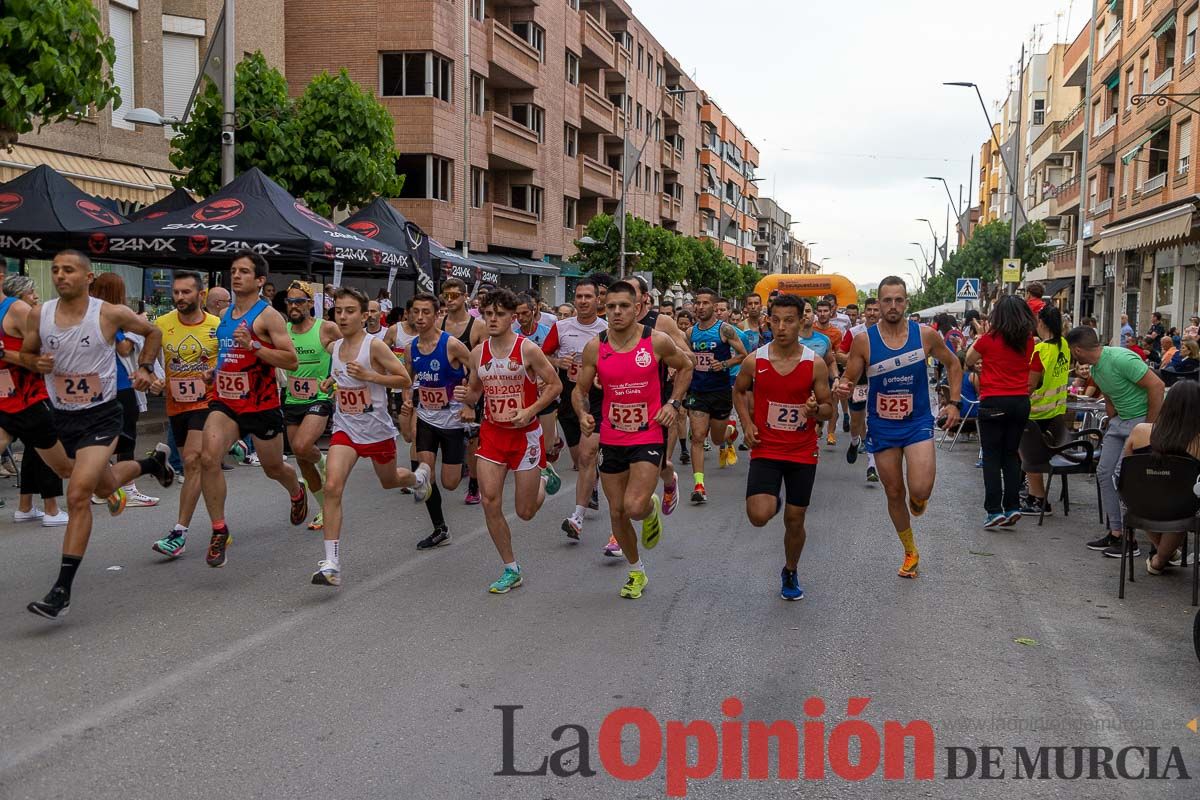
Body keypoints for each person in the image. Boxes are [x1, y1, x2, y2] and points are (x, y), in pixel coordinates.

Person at [24, 250, 174, 620]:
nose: (60, 275)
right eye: (56, 270)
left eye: (69, 270)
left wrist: (143, 367)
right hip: (59, 417)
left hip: (101, 416)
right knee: (104, 487)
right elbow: (27, 355)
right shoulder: (38, 314)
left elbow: (152, 331)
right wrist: (35, 363)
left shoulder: (108, 313)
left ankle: (61, 589)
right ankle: (152, 462)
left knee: (77, 494)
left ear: (88, 277)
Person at [835, 276, 962, 579]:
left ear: (907, 302)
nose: (893, 306)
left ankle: (918, 500)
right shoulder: (865, 340)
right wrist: (843, 386)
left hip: (917, 422)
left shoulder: (926, 336)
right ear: (878, 303)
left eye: (899, 300)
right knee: (894, 492)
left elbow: (954, 364)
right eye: (887, 300)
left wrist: (954, 403)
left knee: (919, 489)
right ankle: (910, 551)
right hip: (882, 425)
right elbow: (850, 377)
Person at [574, 281, 692, 598]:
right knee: (617, 513)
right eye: (610, 306)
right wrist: (583, 414)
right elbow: (579, 390)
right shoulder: (595, 347)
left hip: (648, 432)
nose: (616, 312)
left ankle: (650, 507)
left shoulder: (656, 341)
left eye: (624, 306)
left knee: (635, 506)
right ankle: (636, 571)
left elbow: (686, 366)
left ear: (638, 307)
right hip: (612, 436)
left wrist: (673, 403)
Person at [310, 289, 430, 586]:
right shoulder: (335, 347)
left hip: (376, 431)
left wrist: (370, 376)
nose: (343, 316)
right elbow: (342, 377)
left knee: (389, 480)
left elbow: (404, 378)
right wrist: (331, 380)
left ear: (365, 316)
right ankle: (331, 563)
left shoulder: (374, 346)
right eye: (338, 311)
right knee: (333, 486)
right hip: (345, 429)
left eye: (350, 311)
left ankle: (417, 479)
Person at [198, 251, 308, 570]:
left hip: (262, 405)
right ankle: (219, 530)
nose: (236, 276)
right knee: (208, 458)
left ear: (259, 281)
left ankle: (295, 489)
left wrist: (255, 346)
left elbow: (291, 361)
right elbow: (228, 355)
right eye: (233, 271)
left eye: (244, 272)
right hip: (227, 402)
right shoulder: (226, 314)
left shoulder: (268, 316)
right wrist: (214, 372)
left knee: (273, 468)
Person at [454, 288, 562, 593]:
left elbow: (554, 386)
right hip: (492, 434)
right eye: (488, 314)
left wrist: (530, 410)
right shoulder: (478, 353)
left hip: (525, 437)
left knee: (526, 512)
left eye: (499, 314)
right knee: (489, 501)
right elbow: (475, 392)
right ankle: (511, 568)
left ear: (513, 317)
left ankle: (543, 475)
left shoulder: (527, 350)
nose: (492, 319)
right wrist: (466, 401)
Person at [734, 294, 833, 601]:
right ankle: (771, 500)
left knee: (795, 519)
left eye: (789, 320)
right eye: (775, 320)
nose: (781, 327)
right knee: (758, 515)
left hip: (802, 450)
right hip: (766, 448)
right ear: (768, 321)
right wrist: (747, 423)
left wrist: (817, 410)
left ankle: (790, 570)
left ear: (802, 320)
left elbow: (830, 408)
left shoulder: (813, 364)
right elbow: (739, 391)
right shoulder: (756, 360)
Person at [1067, 325, 1165, 557]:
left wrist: (1148, 426)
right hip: (1120, 422)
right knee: (1104, 472)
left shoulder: (1120, 358)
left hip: (1140, 421)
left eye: (1072, 350)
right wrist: (1113, 419)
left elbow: (1157, 386)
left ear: (1078, 350)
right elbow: (1110, 395)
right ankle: (1116, 532)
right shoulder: (1096, 369)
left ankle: (1130, 540)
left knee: (1122, 476)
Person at [148, 271, 220, 558]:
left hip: (207, 403)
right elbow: (150, 360)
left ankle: (179, 533)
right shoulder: (161, 324)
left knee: (191, 461)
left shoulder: (217, 325)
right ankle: (229, 445)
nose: (179, 297)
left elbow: (230, 361)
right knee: (195, 466)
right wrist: (154, 379)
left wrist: (216, 375)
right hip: (176, 404)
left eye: (186, 292)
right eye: (176, 292)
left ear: (200, 295)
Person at [541, 279, 607, 544]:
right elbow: (542, 355)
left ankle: (580, 509)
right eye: (578, 296)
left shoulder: (606, 328)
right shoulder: (561, 327)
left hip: (599, 396)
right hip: (571, 397)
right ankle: (592, 481)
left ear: (597, 300)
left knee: (589, 454)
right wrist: (558, 361)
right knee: (581, 456)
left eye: (588, 297)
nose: (582, 301)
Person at [404, 292, 472, 549]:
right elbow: (407, 377)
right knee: (426, 472)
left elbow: (475, 368)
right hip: (426, 417)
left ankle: (466, 445)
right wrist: (407, 398)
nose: (420, 317)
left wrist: (468, 401)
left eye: (426, 312)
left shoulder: (452, 344)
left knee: (450, 483)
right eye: (416, 312)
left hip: (453, 420)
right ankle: (440, 528)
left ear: (437, 315)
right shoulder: (411, 348)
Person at [0, 275, 68, 527]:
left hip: (10, 396)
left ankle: (25, 506)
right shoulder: (20, 312)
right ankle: (51, 510)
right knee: (53, 453)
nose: (36, 297)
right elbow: (47, 352)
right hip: (29, 395)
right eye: (31, 292)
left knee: (33, 449)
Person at [965, 295, 1035, 527]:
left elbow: (968, 358)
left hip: (993, 401)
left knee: (992, 457)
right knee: (1011, 454)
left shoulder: (988, 339)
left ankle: (994, 510)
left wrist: (980, 360)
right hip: (1020, 402)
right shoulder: (1028, 340)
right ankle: (1013, 505)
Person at [91, 273, 158, 507]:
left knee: (99, 436)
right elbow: (123, 348)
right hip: (119, 383)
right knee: (126, 435)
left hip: (96, 383)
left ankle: (101, 485)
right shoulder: (112, 314)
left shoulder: (89, 313)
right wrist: (138, 323)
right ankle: (127, 488)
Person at [1122, 380, 1200, 574]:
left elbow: (1127, 470)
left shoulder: (1140, 430)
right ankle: (1160, 559)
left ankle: (1163, 555)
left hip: (1141, 503)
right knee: (1184, 506)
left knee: (1144, 495)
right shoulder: (1198, 443)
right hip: (1181, 507)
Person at [281, 280, 340, 531]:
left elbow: (349, 348)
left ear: (309, 303)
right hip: (292, 399)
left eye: (298, 301)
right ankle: (324, 510)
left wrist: (335, 378)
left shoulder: (326, 329)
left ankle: (324, 462)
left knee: (303, 445)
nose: (293, 306)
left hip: (320, 397)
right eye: (289, 302)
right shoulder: (282, 330)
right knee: (302, 458)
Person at [684, 287, 748, 504]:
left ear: (713, 306)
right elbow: (686, 359)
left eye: (704, 303)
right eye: (697, 303)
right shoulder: (690, 333)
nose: (700, 307)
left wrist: (724, 364)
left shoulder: (725, 330)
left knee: (716, 438)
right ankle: (699, 485)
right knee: (698, 437)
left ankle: (729, 433)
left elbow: (742, 355)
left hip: (720, 392)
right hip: (698, 391)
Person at [1022, 305, 1071, 516]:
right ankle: (1034, 495)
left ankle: (1039, 500)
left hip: (1037, 411)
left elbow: (1031, 384)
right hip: (1057, 411)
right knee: (1039, 456)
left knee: (1031, 456)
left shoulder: (1040, 350)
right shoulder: (1064, 345)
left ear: (1041, 323)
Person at [440, 277, 485, 503]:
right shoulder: (438, 323)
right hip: (442, 391)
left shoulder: (477, 326)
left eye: (455, 295)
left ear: (465, 296)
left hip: (470, 389)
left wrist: (469, 399)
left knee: (473, 438)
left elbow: (480, 365)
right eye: (446, 296)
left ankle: (474, 484)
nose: (450, 300)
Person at [839, 296, 881, 481]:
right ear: (864, 312)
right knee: (857, 421)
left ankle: (872, 466)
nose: (872, 313)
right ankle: (855, 442)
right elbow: (839, 354)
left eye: (876, 310)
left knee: (874, 421)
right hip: (859, 381)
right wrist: (856, 360)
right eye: (869, 310)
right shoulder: (855, 332)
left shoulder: (887, 333)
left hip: (880, 381)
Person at [812, 299, 844, 446]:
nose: (823, 314)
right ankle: (816, 425)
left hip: (829, 371)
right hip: (812, 373)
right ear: (816, 312)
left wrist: (837, 375)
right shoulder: (810, 329)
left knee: (832, 402)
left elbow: (839, 353)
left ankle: (831, 433)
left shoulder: (836, 333)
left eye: (826, 311)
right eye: (820, 311)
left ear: (831, 312)